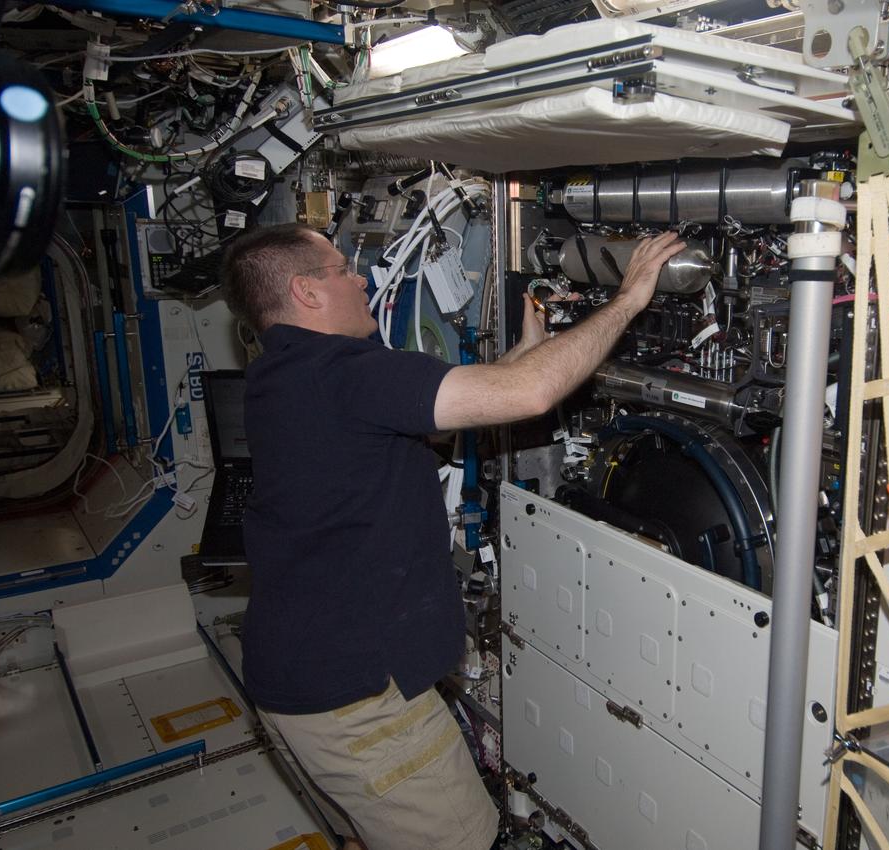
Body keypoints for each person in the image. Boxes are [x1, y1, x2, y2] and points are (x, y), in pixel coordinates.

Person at [220, 222, 684, 850]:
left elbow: (461, 408)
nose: (361, 279)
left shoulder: (284, 376)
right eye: (342, 270)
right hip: (359, 702)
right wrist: (628, 299)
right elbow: (533, 393)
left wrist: (527, 350)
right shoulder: (346, 372)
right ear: (305, 291)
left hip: (297, 679)